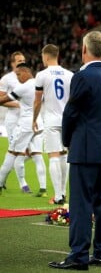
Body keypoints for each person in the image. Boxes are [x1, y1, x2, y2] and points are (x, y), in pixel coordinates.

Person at [48, 30, 101, 270]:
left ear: (84, 50)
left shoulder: (82, 77)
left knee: (80, 204)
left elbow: (71, 112)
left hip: (84, 147)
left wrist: (67, 139)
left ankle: (78, 255)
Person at [33, 44, 73, 202]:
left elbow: (37, 102)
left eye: (43, 56)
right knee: (64, 156)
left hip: (50, 119)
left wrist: (34, 119)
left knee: (53, 156)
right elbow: (73, 99)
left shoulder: (41, 75)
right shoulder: (70, 75)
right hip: (67, 120)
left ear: (47, 56)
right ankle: (62, 193)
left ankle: (57, 196)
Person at [0, 63, 46, 195]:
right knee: (37, 155)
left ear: (26, 71)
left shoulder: (23, 87)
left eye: (19, 74)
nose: (18, 78)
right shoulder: (39, 83)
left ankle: (0, 183)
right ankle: (42, 188)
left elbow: (2, 100)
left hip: (26, 125)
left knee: (11, 153)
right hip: (39, 124)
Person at [0, 51, 25, 190]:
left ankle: (2, 179)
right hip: (13, 119)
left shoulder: (27, 78)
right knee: (15, 151)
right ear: (12, 63)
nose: (21, 62)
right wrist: (16, 104)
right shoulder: (6, 79)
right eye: (18, 60)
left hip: (26, 119)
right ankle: (21, 183)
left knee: (27, 152)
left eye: (23, 60)